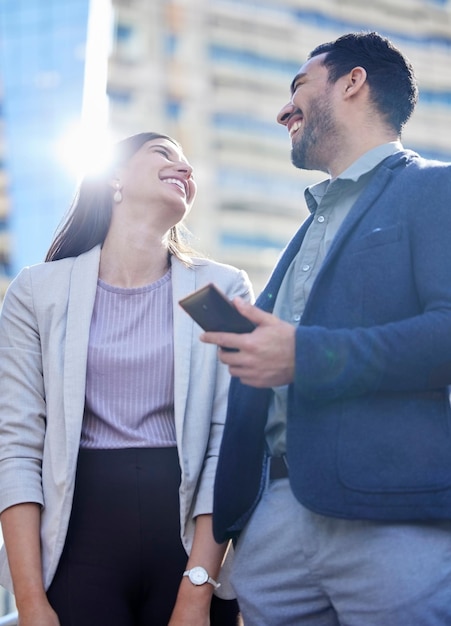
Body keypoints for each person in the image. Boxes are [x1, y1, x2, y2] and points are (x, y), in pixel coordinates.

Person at [201, 31, 451, 625]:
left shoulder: (435, 188)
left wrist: (304, 355)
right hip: (274, 528)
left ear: (353, 83)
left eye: (298, 88)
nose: (282, 110)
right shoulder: (307, 228)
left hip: (387, 519)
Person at [0, 131, 252, 626]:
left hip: (188, 549)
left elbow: (232, 441)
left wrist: (197, 590)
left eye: (188, 164)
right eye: (164, 153)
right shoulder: (37, 292)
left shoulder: (221, 290)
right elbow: (16, 445)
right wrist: (30, 605)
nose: (185, 168)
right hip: (76, 549)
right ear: (113, 175)